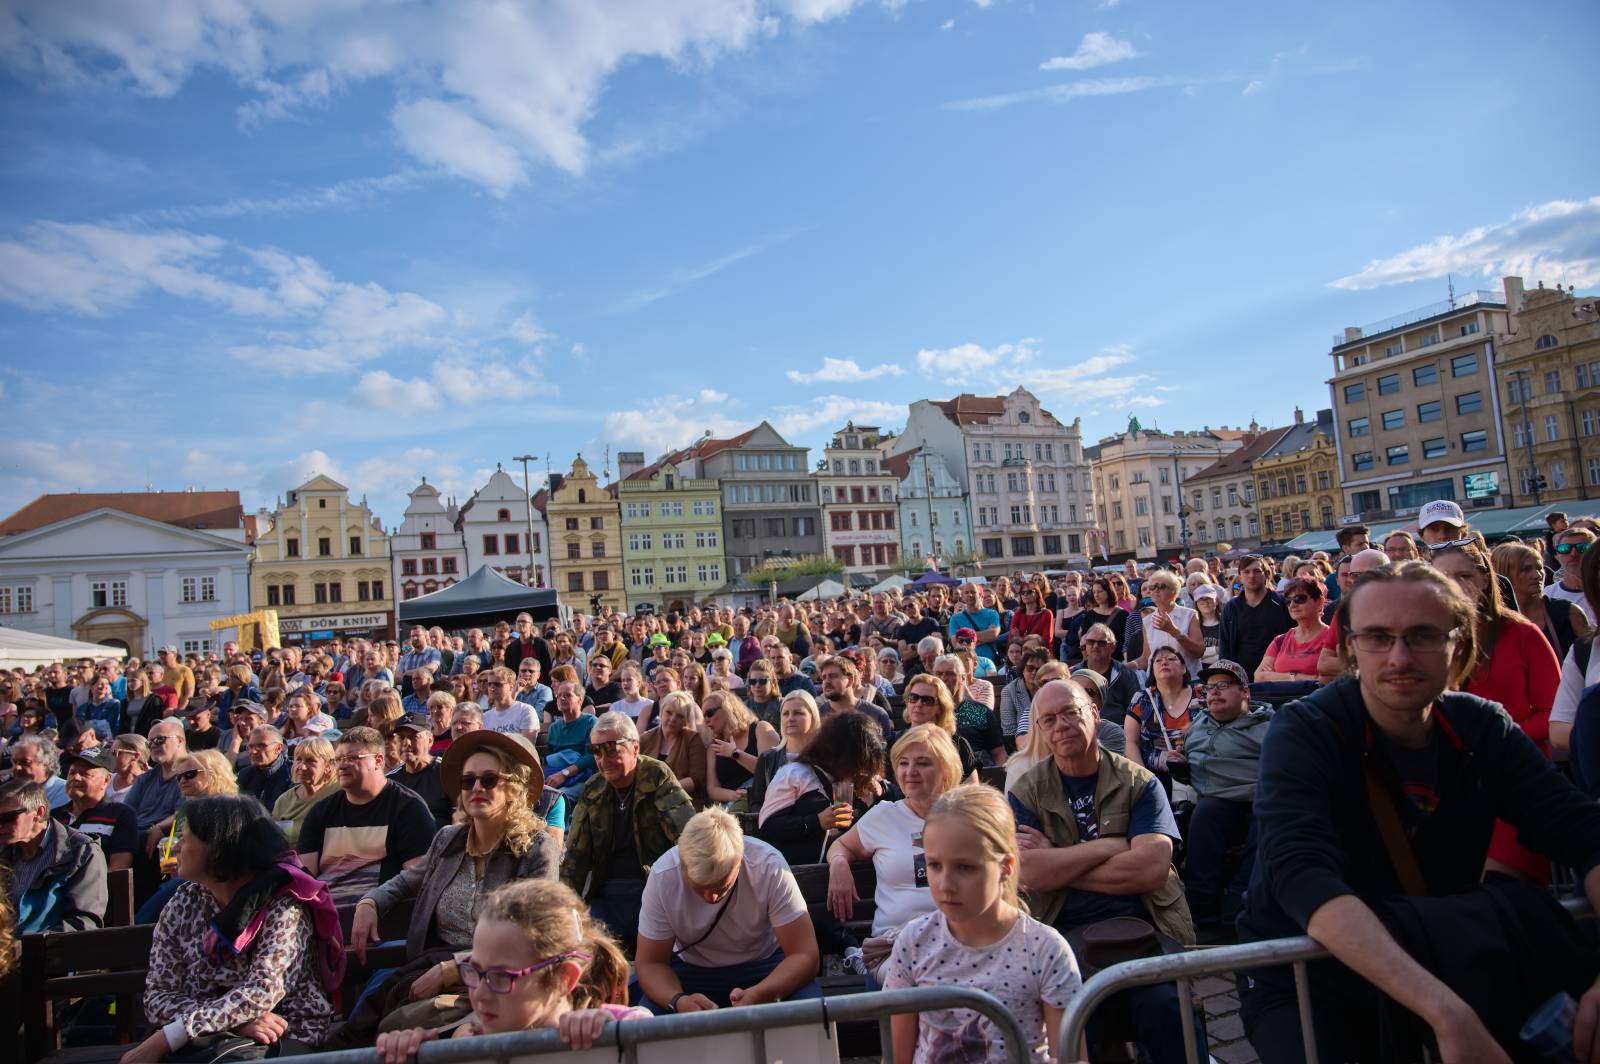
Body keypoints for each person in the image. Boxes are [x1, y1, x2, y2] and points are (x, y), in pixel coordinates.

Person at [1238, 560, 1600, 1062]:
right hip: (1311, 974)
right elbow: (1301, 874)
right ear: (1349, 651)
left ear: (1460, 648)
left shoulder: (1480, 727)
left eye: (1424, 635)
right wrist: (1444, 1012)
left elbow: (1581, 829)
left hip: (1435, 952)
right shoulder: (1307, 731)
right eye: (1378, 637)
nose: (1399, 657)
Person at [1009, 679, 1202, 1064]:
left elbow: (1149, 870)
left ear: (1094, 714)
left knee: (1169, 1009)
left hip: (1144, 924)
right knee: (1077, 1016)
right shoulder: (1025, 792)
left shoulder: (1140, 782)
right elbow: (1029, 872)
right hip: (1062, 933)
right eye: (1048, 719)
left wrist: (1059, 858)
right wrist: (1111, 847)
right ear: (1040, 731)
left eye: (1070, 712)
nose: (1060, 725)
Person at [350, 731, 561, 1039]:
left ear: (513, 788)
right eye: (468, 781)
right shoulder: (448, 839)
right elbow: (408, 880)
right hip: (433, 965)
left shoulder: (537, 846)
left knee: (430, 1030)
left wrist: (456, 968)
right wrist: (371, 902)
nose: (477, 787)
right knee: (375, 1012)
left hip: (503, 980)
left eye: (489, 780)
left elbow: (536, 936)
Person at [883, 784, 1081, 1064]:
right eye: (934, 865)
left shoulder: (1044, 948)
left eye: (965, 867)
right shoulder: (915, 941)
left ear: (1006, 867)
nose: (945, 885)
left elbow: (1071, 1056)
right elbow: (898, 1056)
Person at [133, 796, 342, 1059]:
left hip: (286, 1030)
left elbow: (262, 991)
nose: (175, 848)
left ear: (218, 848)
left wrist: (172, 1034)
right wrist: (234, 1022)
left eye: (185, 840)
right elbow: (158, 997)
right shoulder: (184, 900)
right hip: (208, 1037)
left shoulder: (283, 902)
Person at [373, 879, 647, 1064]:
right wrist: (414, 1057)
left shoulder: (606, 1031)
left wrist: (615, 1037)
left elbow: (655, 1033)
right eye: (472, 971)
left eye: (500, 977)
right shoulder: (469, 1044)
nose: (478, 994)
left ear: (564, 979)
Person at [1432, 540, 1562, 882]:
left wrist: (1500, 738)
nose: (1456, 585)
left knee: (1513, 891)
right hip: (1447, 783)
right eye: (1444, 577)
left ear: (1485, 579)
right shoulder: (1425, 640)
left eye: (1465, 575)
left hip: (1516, 778)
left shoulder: (1522, 633)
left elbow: (1552, 712)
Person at [635, 807, 822, 1012]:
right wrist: (678, 1000)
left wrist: (761, 993)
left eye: (720, 885)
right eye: (699, 886)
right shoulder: (664, 875)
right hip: (690, 973)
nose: (711, 897)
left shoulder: (768, 865)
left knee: (812, 1012)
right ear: (683, 864)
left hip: (766, 967)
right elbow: (651, 963)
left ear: (740, 859)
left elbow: (805, 955)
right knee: (646, 1022)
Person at [827, 725, 964, 974]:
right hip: (894, 946)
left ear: (945, 769)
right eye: (903, 763)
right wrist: (838, 863)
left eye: (922, 763)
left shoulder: (967, 816)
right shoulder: (884, 816)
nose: (910, 772)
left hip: (958, 937)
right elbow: (842, 845)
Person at [560, 711, 695, 948]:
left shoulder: (656, 775)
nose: (603, 759)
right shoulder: (594, 788)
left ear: (634, 748)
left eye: (611, 749)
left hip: (655, 887)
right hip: (609, 891)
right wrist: (561, 912)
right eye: (596, 751)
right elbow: (575, 857)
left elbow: (687, 838)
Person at [1181, 660, 1271, 935]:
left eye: (1223, 686)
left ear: (1245, 692)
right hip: (1214, 799)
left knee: (1269, 823)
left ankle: (1239, 903)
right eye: (1209, 688)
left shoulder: (1269, 726)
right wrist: (1180, 766)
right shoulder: (1197, 726)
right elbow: (1189, 768)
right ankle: (1202, 912)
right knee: (1204, 815)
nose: (1214, 693)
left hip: (1260, 797)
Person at [297, 726, 436, 905]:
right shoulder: (321, 812)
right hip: (327, 916)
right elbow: (306, 880)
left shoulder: (408, 808)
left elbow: (416, 881)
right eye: (338, 759)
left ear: (378, 761)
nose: (342, 765)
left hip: (383, 916)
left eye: (353, 758)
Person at [757, 712, 887, 867]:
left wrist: (881, 791)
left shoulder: (860, 776)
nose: (861, 769)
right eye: (858, 761)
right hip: (799, 874)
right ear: (839, 752)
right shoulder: (794, 774)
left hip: (854, 871)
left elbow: (897, 802)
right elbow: (767, 828)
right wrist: (815, 822)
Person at [0, 777, 108, 932]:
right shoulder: (5, 851)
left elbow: (82, 922)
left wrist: (29, 946)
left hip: (48, 950)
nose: (1, 825)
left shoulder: (81, 851)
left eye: (7, 818)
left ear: (38, 812)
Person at [1495, 539, 1588, 661]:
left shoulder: (1568, 612)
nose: (1537, 575)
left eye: (1540, 568)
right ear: (1505, 574)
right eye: (1526, 569)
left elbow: (1591, 659)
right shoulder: (1494, 619)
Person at [55, 747, 139, 873]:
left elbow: (118, 870)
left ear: (106, 780)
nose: (76, 777)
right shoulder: (54, 816)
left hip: (92, 889)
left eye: (85, 774)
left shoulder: (121, 815)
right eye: (72, 772)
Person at [748, 690, 822, 815]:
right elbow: (756, 804)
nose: (791, 718)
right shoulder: (767, 759)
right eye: (785, 714)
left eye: (798, 713)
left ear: (813, 717)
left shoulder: (826, 757)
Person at [1219, 553, 1293, 678]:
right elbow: (1225, 646)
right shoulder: (1231, 608)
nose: (1251, 576)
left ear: (1266, 574)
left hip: (1276, 674)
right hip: (1242, 676)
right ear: (1240, 576)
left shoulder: (1281, 604)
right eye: (1246, 572)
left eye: (1257, 571)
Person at [702, 689, 779, 807]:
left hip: (762, 797)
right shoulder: (713, 747)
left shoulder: (761, 729)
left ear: (728, 708)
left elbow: (769, 771)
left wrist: (735, 754)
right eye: (704, 716)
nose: (706, 719)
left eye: (710, 713)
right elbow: (712, 789)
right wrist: (733, 795)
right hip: (731, 803)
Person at [900, 673, 981, 782]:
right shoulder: (896, 742)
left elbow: (972, 790)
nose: (918, 704)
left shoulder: (957, 745)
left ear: (940, 708)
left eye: (927, 700)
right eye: (913, 697)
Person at [1253, 576, 1334, 683]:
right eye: (1288, 600)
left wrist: (1276, 676)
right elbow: (1259, 677)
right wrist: (1297, 677)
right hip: (1281, 699)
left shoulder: (1333, 637)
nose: (1292, 605)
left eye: (1300, 599)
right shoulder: (1280, 641)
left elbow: (1331, 679)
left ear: (1320, 602)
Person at [638, 690, 709, 808]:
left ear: (685, 720)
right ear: (661, 712)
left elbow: (696, 780)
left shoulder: (694, 740)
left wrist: (662, 792)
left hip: (682, 802)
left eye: (680, 716)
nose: (672, 719)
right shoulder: (645, 739)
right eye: (669, 713)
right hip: (647, 801)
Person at [932, 654, 1005, 769]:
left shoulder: (979, 712)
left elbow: (999, 754)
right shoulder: (927, 711)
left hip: (979, 774)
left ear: (963, 678)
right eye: (938, 674)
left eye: (950, 673)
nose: (943, 678)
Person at [271, 737, 339, 847]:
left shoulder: (338, 791)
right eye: (298, 759)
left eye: (311, 761)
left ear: (328, 766)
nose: (302, 767)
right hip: (292, 860)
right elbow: (276, 841)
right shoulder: (284, 800)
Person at [388, 713, 453, 828]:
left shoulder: (447, 771)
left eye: (414, 737)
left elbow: (461, 817)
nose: (406, 743)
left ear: (430, 741)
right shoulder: (390, 781)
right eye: (401, 737)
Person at [1135, 570, 1205, 676]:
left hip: (1188, 681)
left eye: (1161, 586)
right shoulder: (1147, 620)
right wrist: (1120, 666)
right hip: (1158, 683)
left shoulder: (1189, 615)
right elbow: (1146, 658)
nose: (1155, 590)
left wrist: (1173, 631)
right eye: (1153, 587)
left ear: (1174, 591)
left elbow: (1199, 652)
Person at [123, 719, 187, 830]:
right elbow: (125, 812)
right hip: (135, 835)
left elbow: (185, 814)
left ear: (180, 741)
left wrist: (158, 828)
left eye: (159, 740)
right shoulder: (145, 778)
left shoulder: (193, 775)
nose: (152, 745)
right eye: (149, 742)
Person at [816, 654, 896, 739]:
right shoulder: (818, 716)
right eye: (824, 677)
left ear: (850, 680)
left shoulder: (876, 714)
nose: (827, 681)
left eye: (833, 676)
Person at [542, 681, 598, 799]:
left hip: (583, 777)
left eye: (567, 695)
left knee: (558, 797)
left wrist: (564, 774)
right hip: (556, 775)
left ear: (580, 700)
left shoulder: (590, 722)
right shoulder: (554, 727)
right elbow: (551, 758)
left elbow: (591, 756)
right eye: (558, 695)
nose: (561, 698)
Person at [999, 647, 1051, 746]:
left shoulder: (1050, 688)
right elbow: (1009, 730)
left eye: (1039, 669)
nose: (1034, 673)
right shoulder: (1009, 691)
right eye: (1030, 668)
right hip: (1022, 745)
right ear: (1022, 669)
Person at [1548, 525, 1598, 625]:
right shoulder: (1548, 595)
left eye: (1582, 548)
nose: (1573, 554)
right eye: (1565, 548)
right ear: (1557, 556)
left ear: (1595, 554)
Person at [237, 724, 294, 808]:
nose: (253, 751)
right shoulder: (244, 775)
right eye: (250, 746)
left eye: (261, 746)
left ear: (278, 748)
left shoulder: (292, 774)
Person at [9, 734, 69, 810]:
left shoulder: (65, 791)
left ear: (46, 764)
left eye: (25, 762)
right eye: (14, 762)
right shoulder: (11, 792)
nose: (17, 767)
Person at [106, 733, 149, 804]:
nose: (110, 756)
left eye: (115, 752)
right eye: (109, 751)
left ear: (135, 756)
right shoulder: (106, 778)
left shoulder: (147, 787)